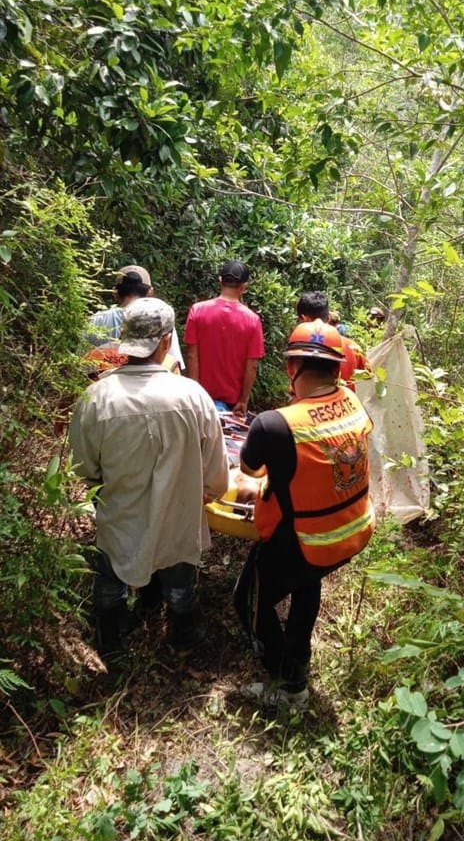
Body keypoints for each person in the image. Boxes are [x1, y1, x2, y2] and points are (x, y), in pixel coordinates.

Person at [69, 298, 229, 661]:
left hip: (120, 516)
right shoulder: (193, 396)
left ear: (125, 340)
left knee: (110, 583)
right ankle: (184, 639)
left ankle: (111, 646)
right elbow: (216, 474)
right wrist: (204, 494)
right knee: (180, 588)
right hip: (179, 516)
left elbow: (83, 470)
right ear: (165, 341)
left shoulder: (96, 398)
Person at [233, 319, 375, 711]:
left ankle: (289, 683)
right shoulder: (353, 403)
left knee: (249, 602)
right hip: (349, 534)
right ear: (338, 368)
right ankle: (301, 655)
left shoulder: (274, 424)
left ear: (290, 369)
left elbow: (250, 473)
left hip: (300, 538)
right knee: (306, 584)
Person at [184, 260, 265, 418]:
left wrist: (195, 394)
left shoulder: (197, 311)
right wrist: (243, 400)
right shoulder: (252, 320)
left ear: (220, 281)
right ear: (243, 287)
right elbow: (252, 366)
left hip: (201, 400)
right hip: (232, 404)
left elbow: (192, 355)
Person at [86, 264, 185, 373]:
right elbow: (173, 365)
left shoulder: (96, 320)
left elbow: (78, 365)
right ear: (150, 292)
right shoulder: (161, 321)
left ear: (116, 293)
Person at [296, 291, 370, 392]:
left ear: (304, 319)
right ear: (328, 317)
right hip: (344, 404)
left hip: (309, 406)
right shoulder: (353, 347)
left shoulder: (300, 348)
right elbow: (368, 374)